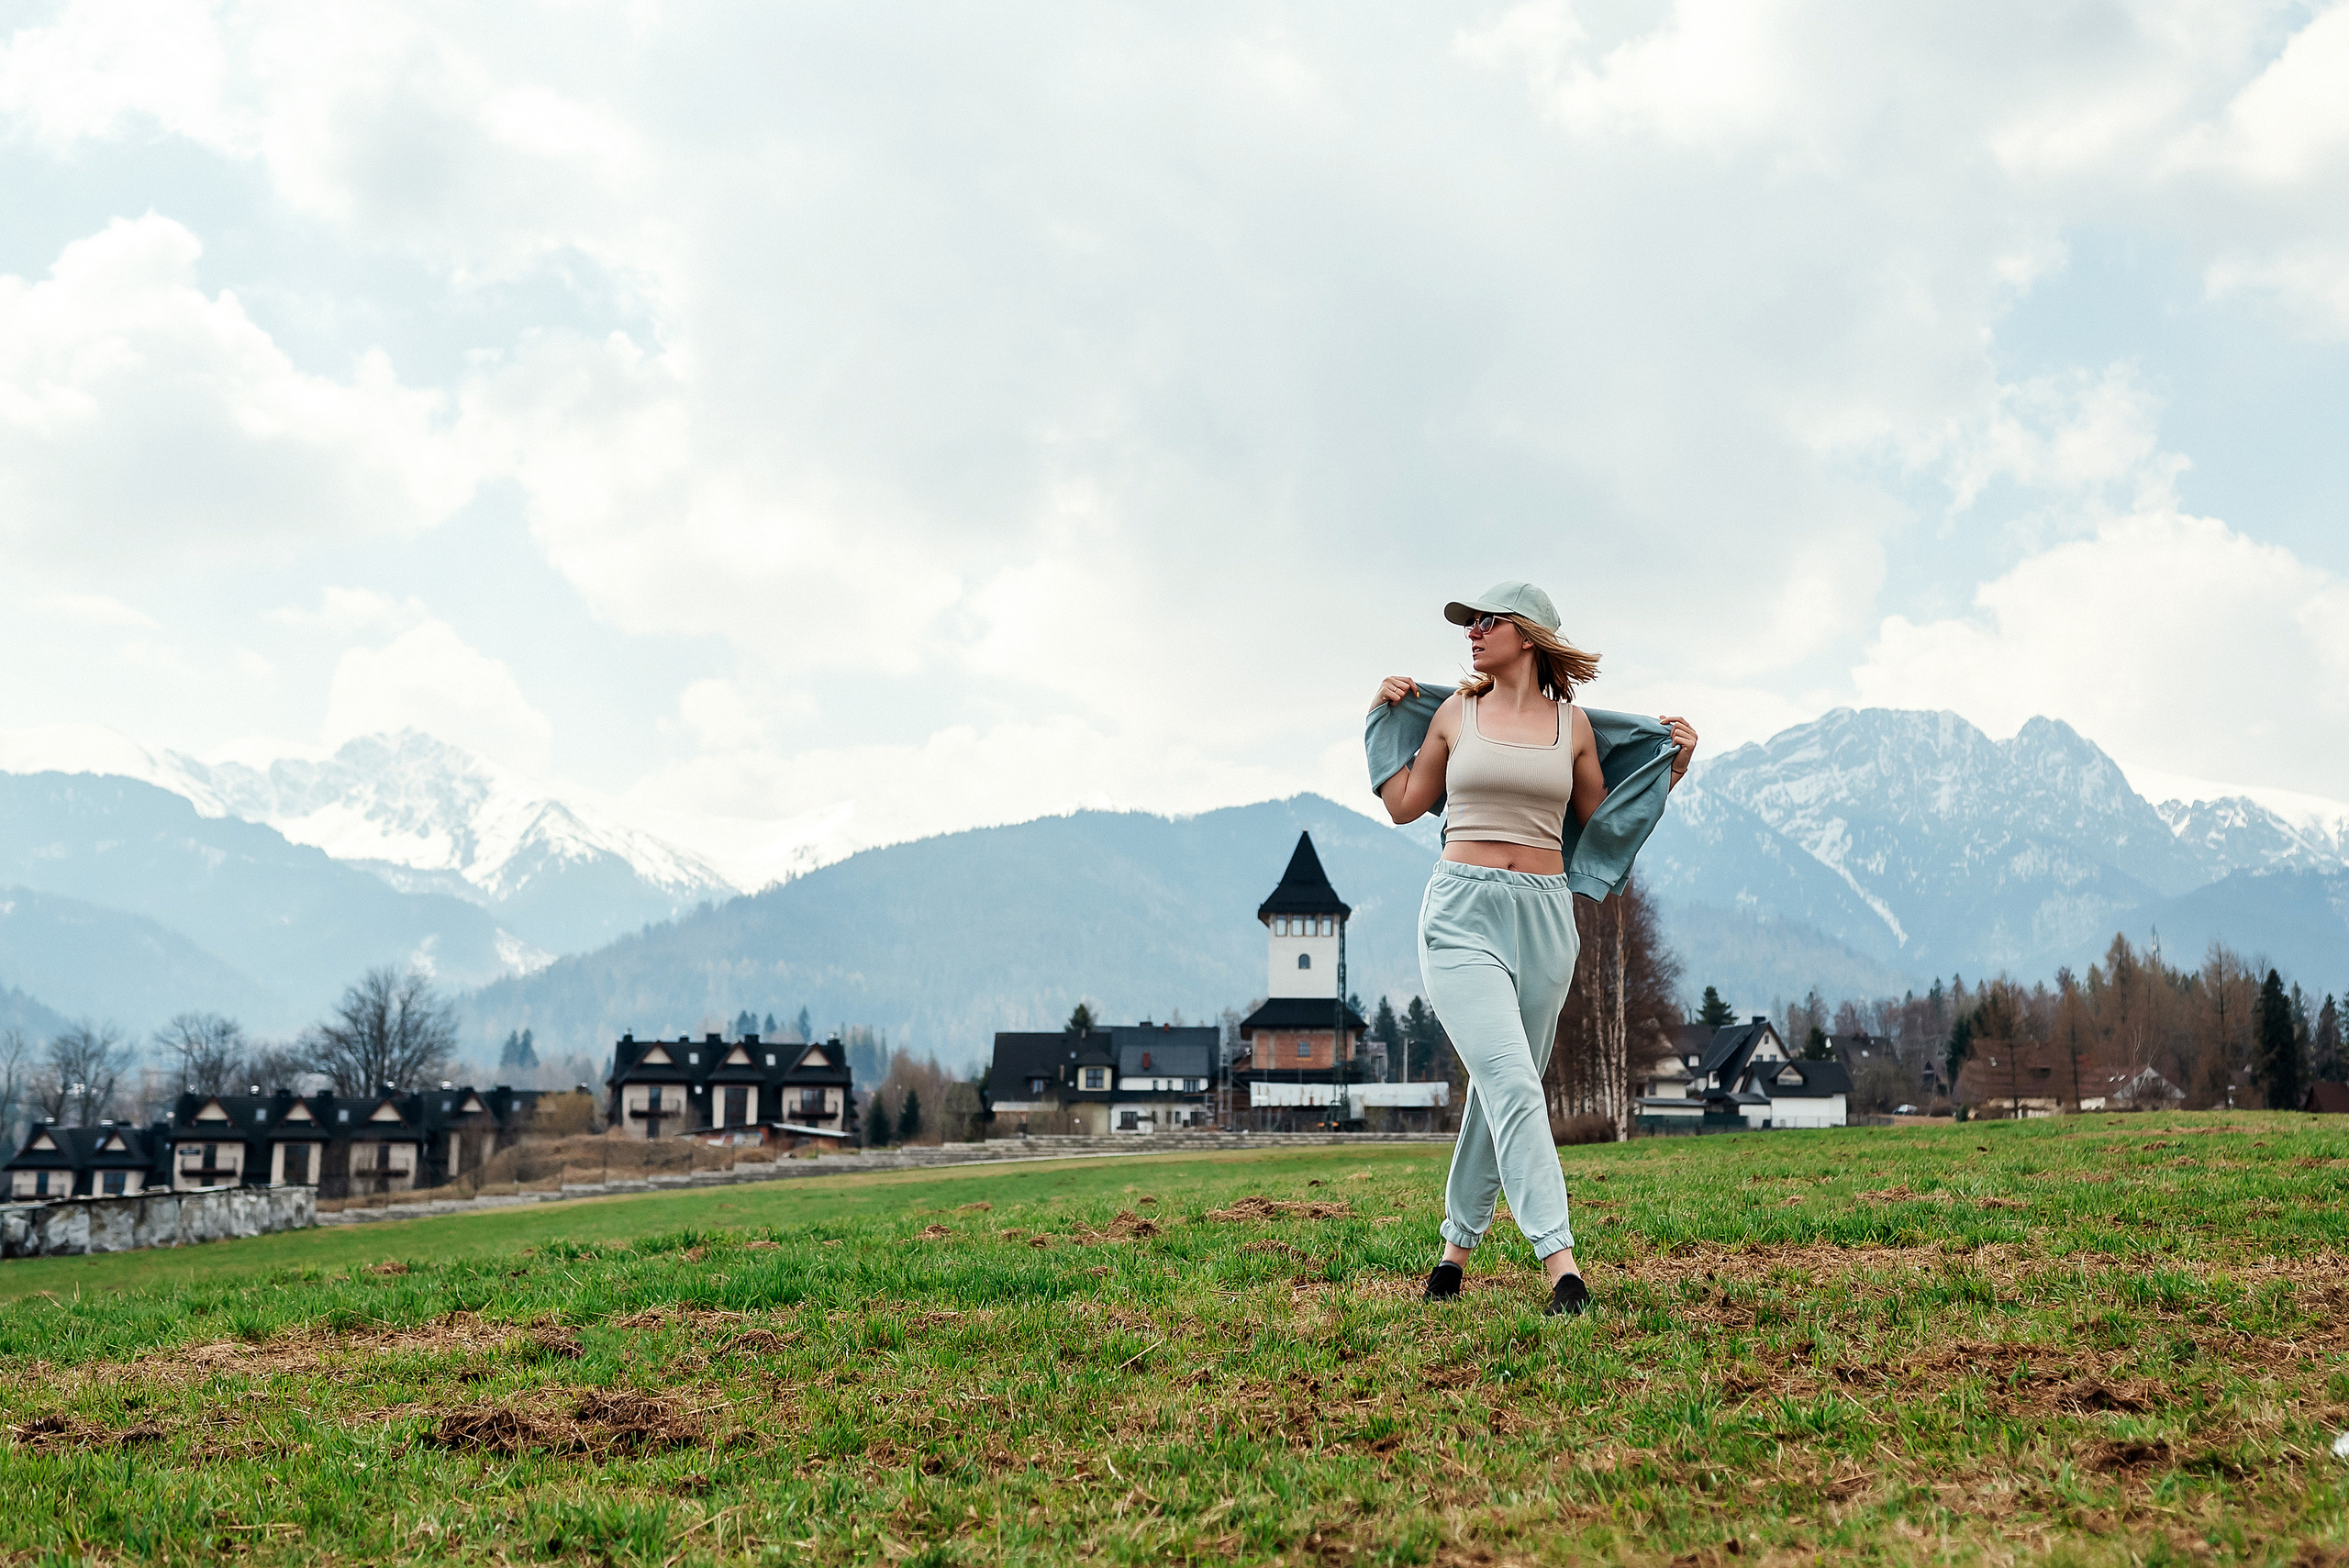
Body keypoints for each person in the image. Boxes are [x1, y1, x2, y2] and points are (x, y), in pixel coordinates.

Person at [1368, 581, 1696, 1315]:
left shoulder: (1573, 727)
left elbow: (1604, 825)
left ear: (1527, 635)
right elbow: (1402, 805)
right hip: (1461, 916)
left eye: (1486, 621)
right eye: (1469, 623)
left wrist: (1667, 771)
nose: (1472, 633)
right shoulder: (1456, 713)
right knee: (1515, 1085)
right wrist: (1377, 718)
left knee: (1502, 1088)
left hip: (1547, 922)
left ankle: (1453, 1257)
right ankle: (1563, 1266)